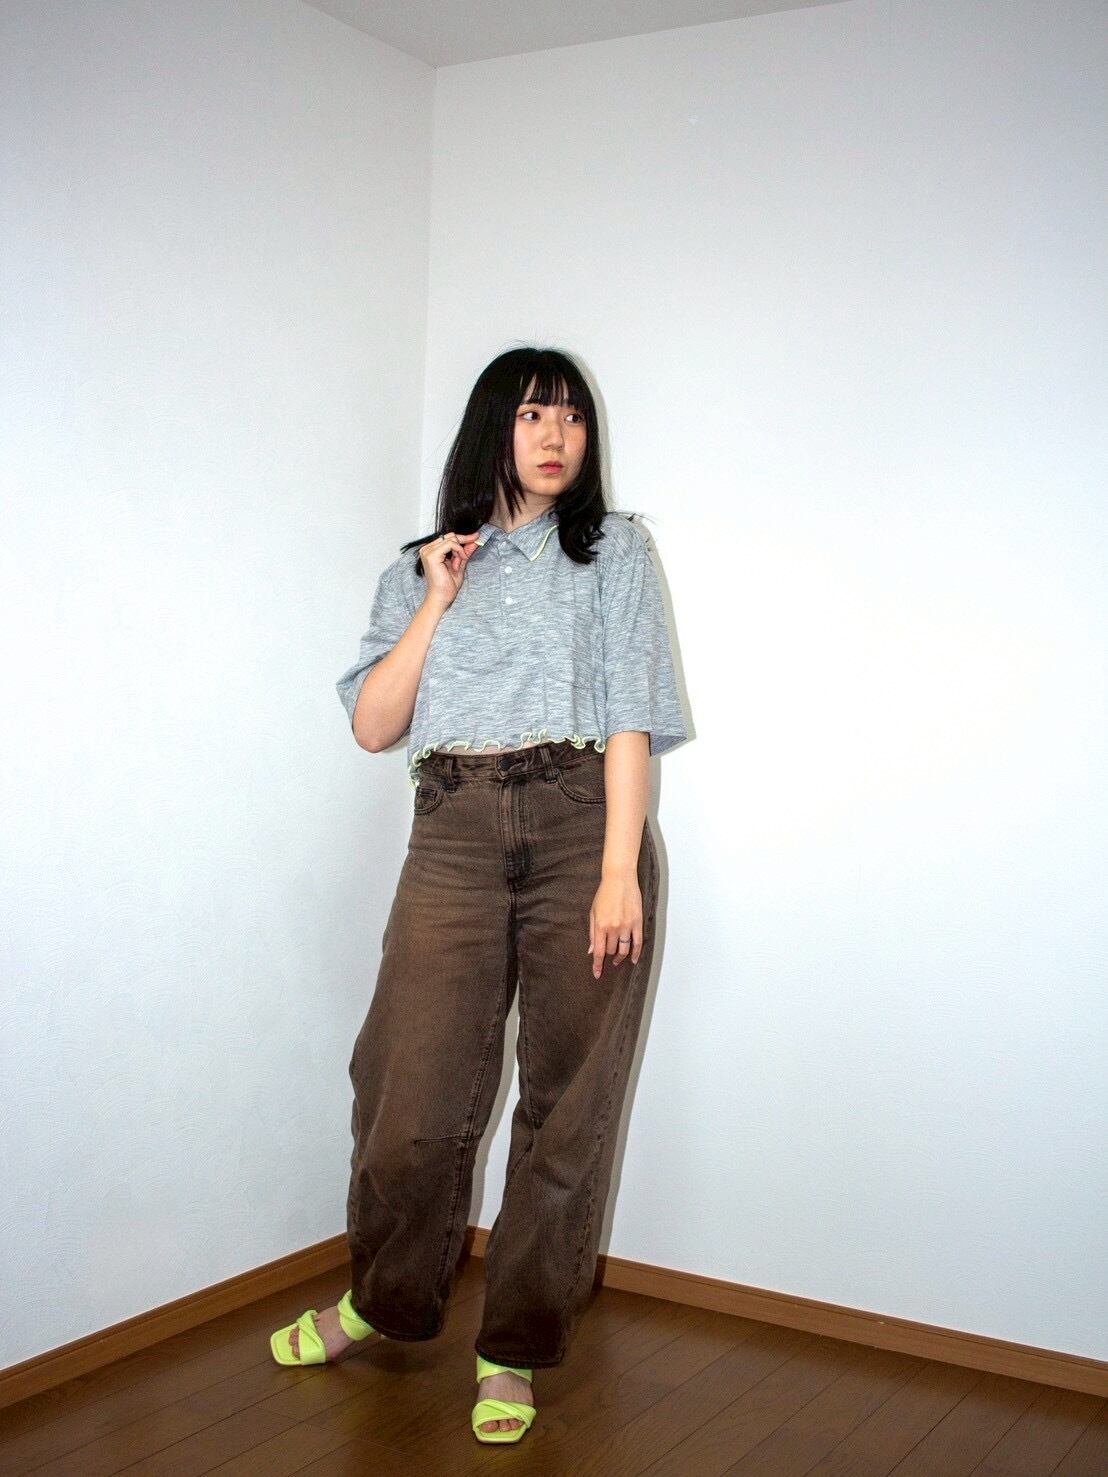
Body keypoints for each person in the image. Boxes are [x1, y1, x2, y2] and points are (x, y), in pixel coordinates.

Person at [269, 345, 689, 1444]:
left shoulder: (615, 552)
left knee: (566, 1107)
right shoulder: (419, 567)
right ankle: (383, 1298)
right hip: (451, 827)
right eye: (533, 415)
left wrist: (617, 870)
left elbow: (631, 716)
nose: (556, 437)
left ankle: (513, 1347)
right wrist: (436, 599)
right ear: (491, 427)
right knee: (404, 1097)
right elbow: (374, 724)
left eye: (573, 418)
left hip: (581, 827)